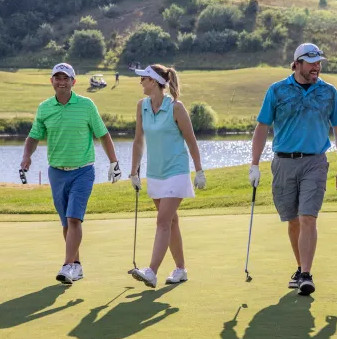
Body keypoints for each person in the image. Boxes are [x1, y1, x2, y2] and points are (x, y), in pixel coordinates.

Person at [249, 43, 337, 296]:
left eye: (319, 62)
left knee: (307, 217)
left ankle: (306, 273)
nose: (317, 67)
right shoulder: (277, 90)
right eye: (311, 62)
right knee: (293, 220)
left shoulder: (329, 92)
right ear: (297, 63)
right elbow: (262, 127)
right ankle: (299, 267)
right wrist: (254, 164)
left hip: (315, 162)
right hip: (283, 162)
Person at [20, 62, 122, 285]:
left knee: (74, 218)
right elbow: (33, 137)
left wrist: (114, 162)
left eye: (65, 78)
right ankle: (77, 266)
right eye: (57, 77)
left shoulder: (86, 105)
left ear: (73, 81)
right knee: (66, 224)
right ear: (52, 82)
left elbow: (103, 135)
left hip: (83, 171)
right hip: (56, 173)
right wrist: (27, 157)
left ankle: (67, 266)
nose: (61, 81)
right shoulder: (44, 108)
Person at [129, 64, 206, 288]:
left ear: (153, 81)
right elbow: (138, 141)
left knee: (162, 221)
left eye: (143, 78)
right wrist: (133, 171)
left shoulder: (176, 108)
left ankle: (151, 272)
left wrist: (199, 170)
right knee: (171, 221)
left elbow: (191, 140)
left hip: (176, 172)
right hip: (155, 173)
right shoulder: (142, 106)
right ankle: (181, 269)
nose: (141, 82)